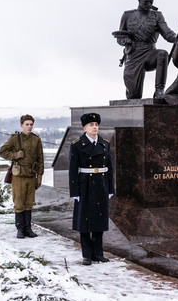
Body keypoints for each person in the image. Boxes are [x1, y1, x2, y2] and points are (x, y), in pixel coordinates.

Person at [69, 113, 115, 265]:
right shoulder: (77, 144)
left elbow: (109, 167)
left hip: (101, 184)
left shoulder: (104, 144)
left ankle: (98, 254)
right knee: (84, 222)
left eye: (96, 124)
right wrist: (75, 192)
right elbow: (72, 170)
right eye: (91, 125)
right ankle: (87, 255)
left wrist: (110, 188)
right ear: (84, 127)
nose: (95, 127)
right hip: (85, 186)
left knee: (99, 221)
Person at [116, 0, 177, 99]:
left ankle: (159, 90)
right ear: (139, 0)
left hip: (150, 53)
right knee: (134, 95)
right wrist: (125, 41)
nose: (148, 4)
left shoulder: (157, 16)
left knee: (162, 54)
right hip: (133, 55)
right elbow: (120, 36)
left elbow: (167, 33)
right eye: (146, 2)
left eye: (151, 2)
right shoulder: (127, 15)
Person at [0, 114, 44, 238]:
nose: (29, 127)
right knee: (19, 202)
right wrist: (14, 155)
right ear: (21, 125)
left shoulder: (36, 140)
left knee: (29, 202)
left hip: (31, 175)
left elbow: (41, 159)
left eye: (31, 124)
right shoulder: (15, 139)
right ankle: (20, 228)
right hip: (18, 176)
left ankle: (28, 228)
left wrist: (39, 176)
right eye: (27, 124)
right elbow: (2, 151)